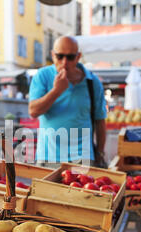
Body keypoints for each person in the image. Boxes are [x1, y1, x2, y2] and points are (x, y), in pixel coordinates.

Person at [28, 36, 107, 168]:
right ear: (53, 55)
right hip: (49, 157)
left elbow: (100, 121)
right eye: (60, 56)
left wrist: (100, 153)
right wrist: (57, 91)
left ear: (78, 57)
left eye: (70, 57)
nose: (64, 62)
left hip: (83, 158)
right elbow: (33, 111)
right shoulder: (43, 76)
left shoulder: (92, 82)